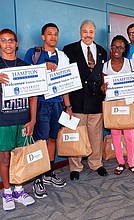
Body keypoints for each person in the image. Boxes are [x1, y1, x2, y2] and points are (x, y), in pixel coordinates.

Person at [24, 23, 71, 198]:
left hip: (57, 103)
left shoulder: (62, 56)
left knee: (52, 138)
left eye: (56, 34)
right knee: (40, 141)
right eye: (49, 34)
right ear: (43, 36)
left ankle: (49, 172)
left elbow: (67, 83)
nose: (53, 37)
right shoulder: (34, 53)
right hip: (41, 103)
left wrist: (68, 106)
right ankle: (38, 177)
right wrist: (43, 67)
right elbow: (28, 76)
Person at [62, 20, 108, 180]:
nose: (88, 35)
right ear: (80, 32)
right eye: (84, 31)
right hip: (77, 100)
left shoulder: (102, 51)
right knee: (76, 134)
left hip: (95, 100)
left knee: (96, 135)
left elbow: (103, 76)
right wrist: (67, 104)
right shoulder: (68, 50)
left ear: (94, 33)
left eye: (91, 32)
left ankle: (96, 163)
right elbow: (64, 77)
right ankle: (75, 166)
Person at [0, 28, 36, 211]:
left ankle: (19, 190)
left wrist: (32, 120)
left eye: (11, 40)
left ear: (16, 43)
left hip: (23, 119)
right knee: (5, 158)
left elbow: (34, 96)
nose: (8, 44)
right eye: (4, 40)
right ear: (0, 44)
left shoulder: (24, 66)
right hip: (3, 121)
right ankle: (7, 192)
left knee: (20, 158)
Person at [101, 35, 134, 176]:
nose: (117, 49)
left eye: (120, 47)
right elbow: (103, 85)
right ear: (111, 48)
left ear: (124, 49)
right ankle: (121, 162)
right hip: (113, 104)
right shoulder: (105, 66)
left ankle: (131, 163)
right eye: (114, 47)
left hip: (128, 104)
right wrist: (103, 88)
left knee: (130, 136)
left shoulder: (131, 64)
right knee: (116, 135)